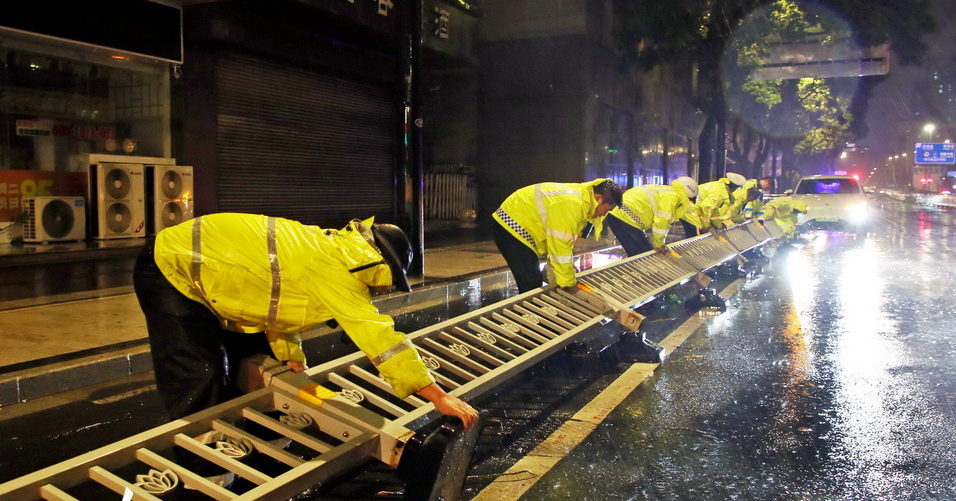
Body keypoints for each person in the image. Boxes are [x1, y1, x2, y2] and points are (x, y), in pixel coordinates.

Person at [133, 213, 479, 431]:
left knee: (255, 363)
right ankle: (202, 479)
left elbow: (277, 301)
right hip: (170, 267)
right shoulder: (337, 269)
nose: (386, 288)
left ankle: (248, 439)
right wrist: (436, 396)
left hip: (212, 274)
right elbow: (378, 336)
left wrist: (291, 357)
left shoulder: (329, 249)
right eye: (391, 279)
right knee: (199, 373)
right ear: (381, 264)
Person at [491, 178, 623, 292]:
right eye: (606, 210)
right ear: (599, 199)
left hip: (517, 223)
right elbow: (560, 246)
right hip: (512, 225)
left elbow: (561, 246)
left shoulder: (582, 201)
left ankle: (530, 316)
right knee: (530, 283)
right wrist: (567, 282)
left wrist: (561, 274)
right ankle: (525, 318)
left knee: (532, 279)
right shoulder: (573, 204)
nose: (603, 215)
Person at [604, 177, 700, 256]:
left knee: (639, 253)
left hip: (620, 215)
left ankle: (636, 276)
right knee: (642, 256)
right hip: (625, 217)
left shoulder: (668, 192)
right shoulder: (673, 198)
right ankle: (639, 277)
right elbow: (662, 222)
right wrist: (659, 244)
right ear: (688, 196)